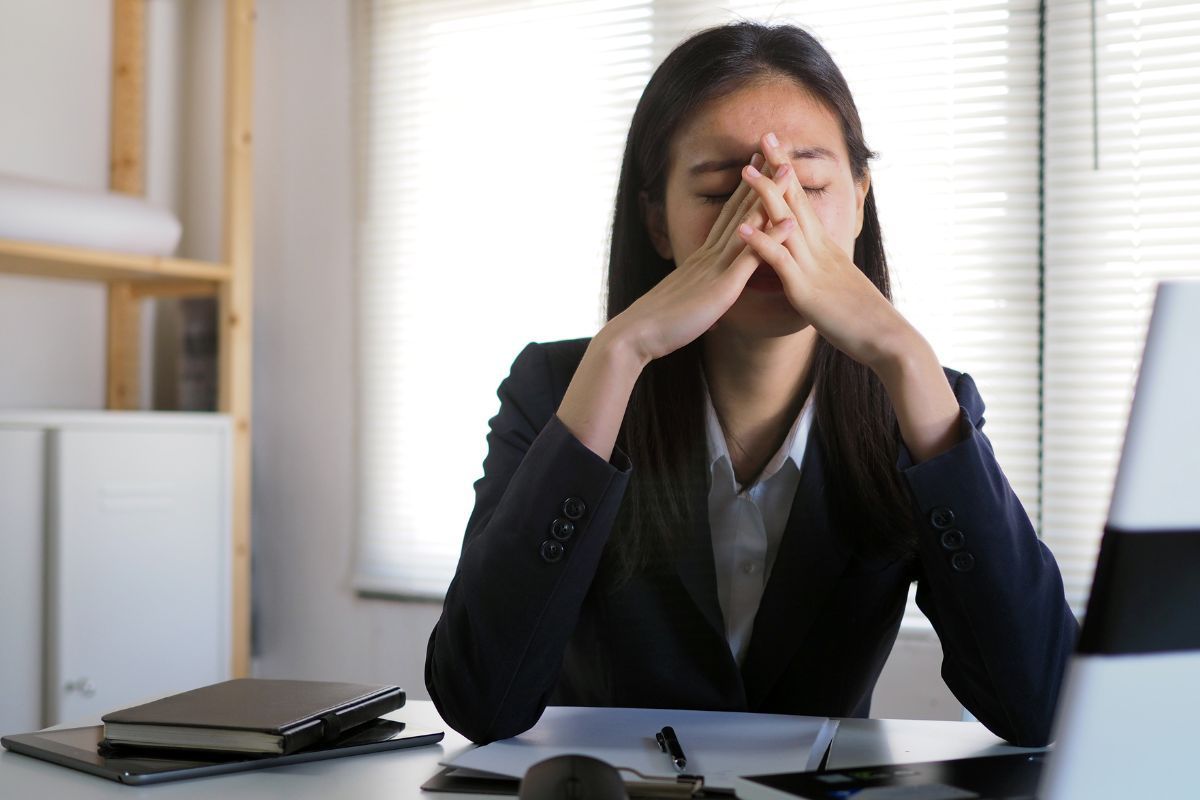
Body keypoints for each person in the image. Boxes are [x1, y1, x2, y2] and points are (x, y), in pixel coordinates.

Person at [424, 21, 1078, 748]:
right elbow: (477, 697)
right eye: (719, 193)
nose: (771, 218)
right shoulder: (557, 388)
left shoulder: (918, 402)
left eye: (812, 185)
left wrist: (905, 356)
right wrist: (622, 349)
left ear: (860, 200)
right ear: (657, 222)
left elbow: (1046, 707)